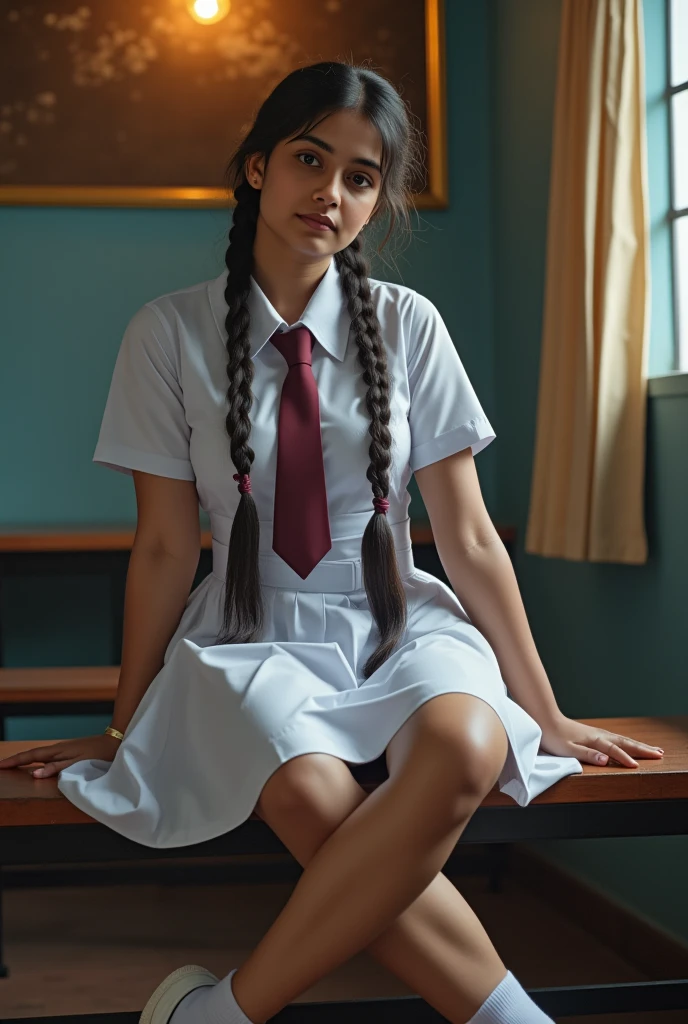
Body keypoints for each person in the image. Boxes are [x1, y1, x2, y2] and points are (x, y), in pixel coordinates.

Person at [0, 61, 664, 1024]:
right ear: (258, 165)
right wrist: (122, 723)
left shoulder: (411, 327)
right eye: (312, 159)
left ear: (376, 201)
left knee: (467, 744)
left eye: (362, 176)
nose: (333, 192)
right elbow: (160, 549)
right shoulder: (167, 334)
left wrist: (547, 714)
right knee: (314, 799)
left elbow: (467, 534)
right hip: (247, 634)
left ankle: (221, 1013)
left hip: (398, 621)